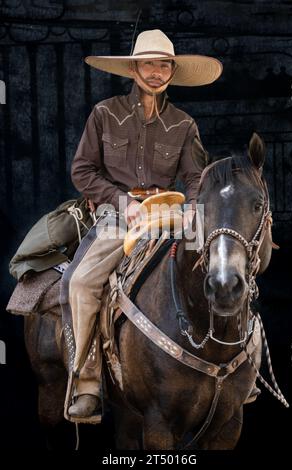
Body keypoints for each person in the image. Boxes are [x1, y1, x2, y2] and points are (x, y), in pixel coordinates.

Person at [62, 29, 222, 422]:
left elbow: (196, 177)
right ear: (134, 68)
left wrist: (193, 209)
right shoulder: (105, 113)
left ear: (172, 70)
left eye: (164, 64)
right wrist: (122, 202)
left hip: (172, 212)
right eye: (149, 63)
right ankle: (88, 387)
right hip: (119, 215)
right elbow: (82, 171)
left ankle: (238, 367)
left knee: (224, 261)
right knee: (79, 282)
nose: (156, 72)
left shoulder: (184, 124)